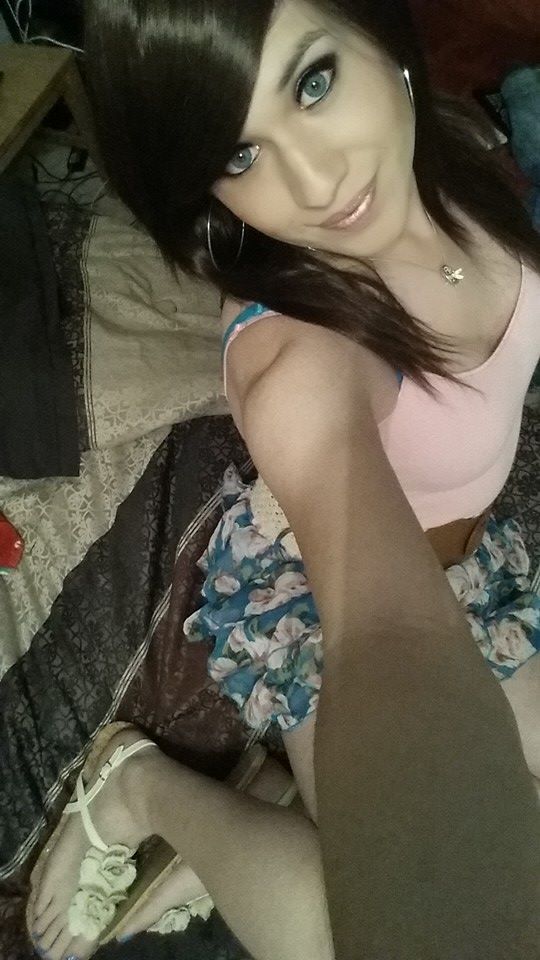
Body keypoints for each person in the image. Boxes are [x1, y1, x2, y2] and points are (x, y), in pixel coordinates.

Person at [27, 1, 540, 959]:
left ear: (377, 33)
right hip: (320, 599)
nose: (314, 182)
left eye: (313, 82)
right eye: (238, 154)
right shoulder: (297, 358)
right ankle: (142, 788)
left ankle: (292, 808)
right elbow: (384, 632)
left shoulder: (450, 150)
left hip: (471, 562)